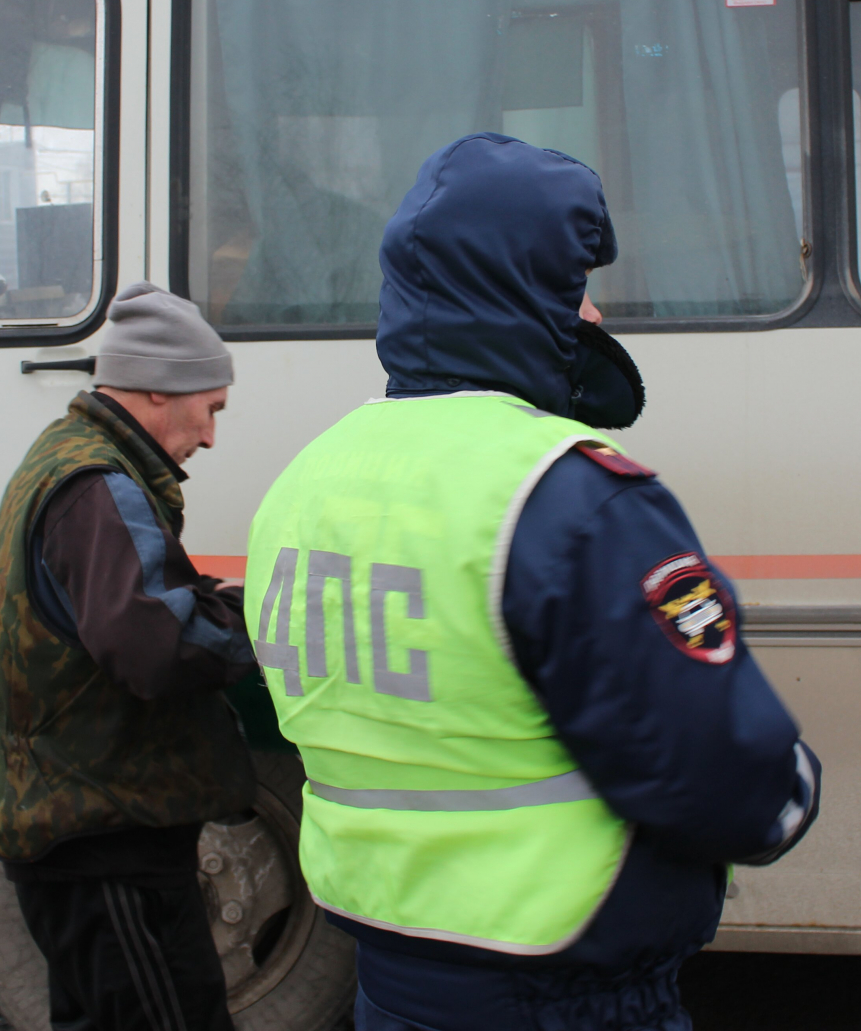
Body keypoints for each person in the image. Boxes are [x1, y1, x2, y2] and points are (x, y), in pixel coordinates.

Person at [246, 133, 821, 1031]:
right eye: (577, 284)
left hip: (390, 980)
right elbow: (718, 767)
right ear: (532, 292)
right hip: (564, 993)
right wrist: (789, 790)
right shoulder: (575, 496)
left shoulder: (305, 482)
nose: (593, 312)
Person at [0, 281, 258, 1031]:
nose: (212, 435)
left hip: (75, 830)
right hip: (105, 842)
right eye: (212, 409)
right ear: (162, 392)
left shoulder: (67, 457)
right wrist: (260, 617)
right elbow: (157, 645)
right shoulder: (100, 484)